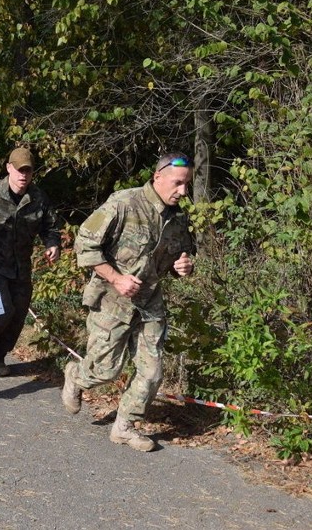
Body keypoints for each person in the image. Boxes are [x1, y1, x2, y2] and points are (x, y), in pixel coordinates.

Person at [61, 153, 196, 451]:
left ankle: (125, 426)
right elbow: (85, 243)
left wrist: (183, 267)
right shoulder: (124, 203)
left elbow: (182, 258)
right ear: (157, 177)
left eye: (187, 184)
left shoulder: (178, 220)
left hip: (150, 303)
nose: (183, 191)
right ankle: (76, 376)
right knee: (106, 370)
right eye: (178, 183)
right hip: (112, 302)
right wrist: (116, 278)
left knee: (153, 371)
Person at [0, 146, 61, 376]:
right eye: (19, 170)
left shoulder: (38, 198)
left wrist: (52, 243)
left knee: (17, 316)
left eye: (28, 171)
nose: (23, 176)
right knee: (0, 311)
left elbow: (51, 226)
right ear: (9, 168)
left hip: (21, 269)